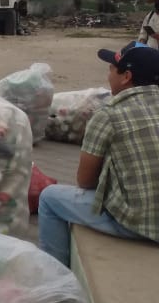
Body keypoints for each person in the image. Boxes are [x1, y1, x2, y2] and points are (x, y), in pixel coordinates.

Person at [38, 41, 159, 267]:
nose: (108, 74)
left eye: (112, 69)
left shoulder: (108, 115)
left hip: (138, 223)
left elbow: (85, 181)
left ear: (126, 77)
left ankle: (56, 275)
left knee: (49, 198)